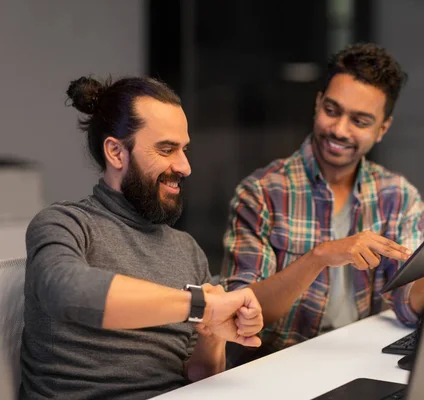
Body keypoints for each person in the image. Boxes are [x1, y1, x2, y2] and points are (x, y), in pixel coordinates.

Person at [221, 43, 424, 365]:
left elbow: (410, 308)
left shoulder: (399, 197)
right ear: (318, 103)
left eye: (360, 121)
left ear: (382, 129)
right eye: (332, 110)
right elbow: (241, 314)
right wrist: (318, 257)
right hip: (277, 366)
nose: (339, 130)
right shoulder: (260, 194)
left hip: (361, 361)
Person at [20, 76, 263, 400]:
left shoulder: (187, 250)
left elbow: (200, 374)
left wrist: (213, 334)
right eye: (166, 149)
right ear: (116, 152)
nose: (185, 166)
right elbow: (67, 291)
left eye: (184, 149)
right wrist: (200, 305)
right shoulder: (65, 224)